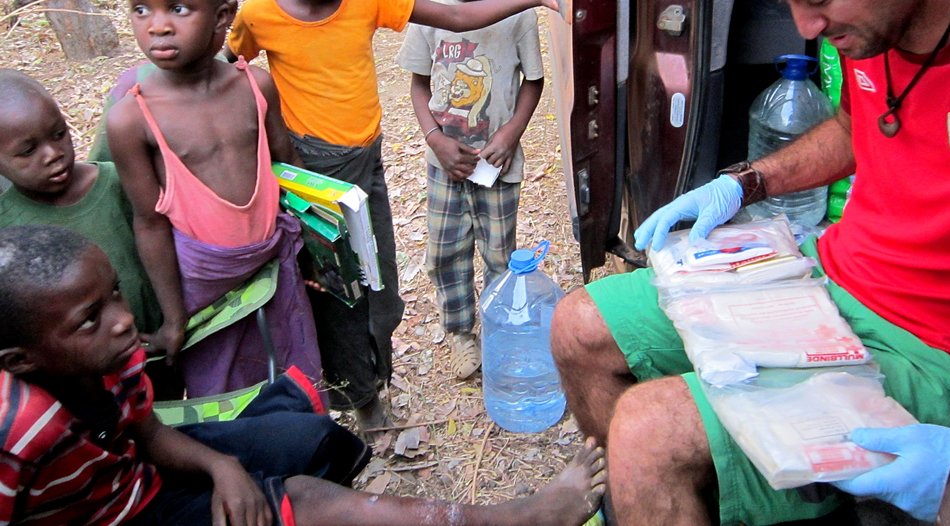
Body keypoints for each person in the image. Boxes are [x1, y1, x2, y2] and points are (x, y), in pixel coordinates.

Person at [549, 0, 950, 526]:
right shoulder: (873, 26)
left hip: (934, 351)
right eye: (786, 1)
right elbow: (861, 131)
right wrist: (745, 184)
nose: (807, 27)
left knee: (648, 432)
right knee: (578, 327)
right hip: (830, 277)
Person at [225, 0, 566, 428]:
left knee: (381, 285)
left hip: (368, 168)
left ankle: (380, 377)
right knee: (332, 286)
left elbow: (462, 22)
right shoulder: (258, 17)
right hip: (307, 173)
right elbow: (229, 71)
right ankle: (356, 396)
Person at [0, 225, 608, 526]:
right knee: (310, 500)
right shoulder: (15, 432)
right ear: (20, 361)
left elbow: (148, 433)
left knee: (309, 437)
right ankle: (520, 518)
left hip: (135, 478)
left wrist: (221, 467)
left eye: (114, 296)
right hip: (120, 515)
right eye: (89, 318)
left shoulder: (113, 359)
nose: (123, 320)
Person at [105, 0, 325, 399]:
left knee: (289, 365)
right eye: (141, 9)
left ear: (223, 16)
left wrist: (321, 251)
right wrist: (173, 318)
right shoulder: (131, 119)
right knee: (220, 385)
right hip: (202, 284)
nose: (157, 26)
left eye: (178, 8)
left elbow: (288, 165)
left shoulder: (255, 87)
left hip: (273, 264)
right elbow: (149, 224)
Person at [395, 0, 544, 379]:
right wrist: (435, 137)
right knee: (444, 250)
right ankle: (461, 332)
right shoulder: (429, 14)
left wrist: (510, 132)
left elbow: (533, 81)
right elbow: (418, 84)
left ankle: (500, 328)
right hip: (446, 164)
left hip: (496, 165)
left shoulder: (518, 13)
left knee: (499, 253)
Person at [0, 69, 161, 336]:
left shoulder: (116, 184)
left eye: (58, 134)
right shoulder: (6, 226)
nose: (53, 154)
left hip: (157, 337)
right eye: (28, 151)